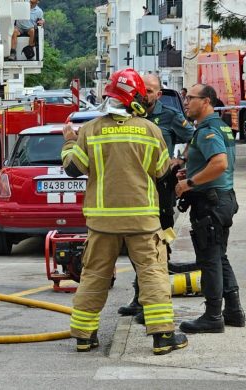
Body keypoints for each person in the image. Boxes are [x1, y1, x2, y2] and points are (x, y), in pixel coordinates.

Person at [61, 68, 188, 355]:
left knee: (94, 275)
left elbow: (71, 169)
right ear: (135, 99)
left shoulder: (91, 130)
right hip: (142, 221)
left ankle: (84, 336)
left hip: (102, 222)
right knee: (152, 275)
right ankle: (162, 337)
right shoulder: (150, 130)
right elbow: (159, 170)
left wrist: (69, 140)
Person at [117, 74, 195, 319]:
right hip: (134, 190)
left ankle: (154, 301)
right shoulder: (129, 115)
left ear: (158, 94)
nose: (146, 94)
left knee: (158, 245)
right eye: (144, 90)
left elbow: (195, 138)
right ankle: (140, 297)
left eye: (150, 91)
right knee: (136, 246)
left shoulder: (169, 116)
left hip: (160, 189)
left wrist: (181, 159)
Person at [175, 84, 245, 333]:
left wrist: (189, 183)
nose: (186, 102)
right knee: (219, 256)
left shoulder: (208, 129)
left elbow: (219, 163)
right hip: (222, 199)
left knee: (210, 260)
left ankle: (213, 316)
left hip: (211, 203)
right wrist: (190, 170)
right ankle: (234, 311)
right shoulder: (221, 126)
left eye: (190, 98)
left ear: (205, 101)